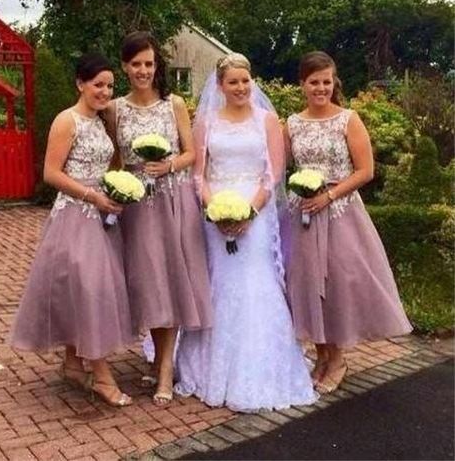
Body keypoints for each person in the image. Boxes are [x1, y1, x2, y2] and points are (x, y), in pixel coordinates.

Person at [175, 53, 317, 412]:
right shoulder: (205, 122)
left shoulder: (267, 121)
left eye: (245, 80)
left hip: (256, 212)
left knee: (256, 284)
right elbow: (198, 174)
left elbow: (273, 173)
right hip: (215, 214)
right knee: (218, 284)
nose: (240, 87)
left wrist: (250, 211)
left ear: (252, 82)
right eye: (233, 82)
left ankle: (259, 368)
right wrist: (212, 209)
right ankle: (210, 368)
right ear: (220, 86)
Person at [9, 52, 133, 406]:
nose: (105, 92)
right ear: (80, 83)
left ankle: (73, 363)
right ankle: (103, 376)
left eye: (110, 86)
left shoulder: (100, 121)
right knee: (89, 289)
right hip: (75, 215)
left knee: (83, 290)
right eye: (98, 85)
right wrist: (92, 196)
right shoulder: (68, 120)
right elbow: (51, 173)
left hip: (102, 216)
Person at [284, 51, 412, 393]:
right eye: (314, 82)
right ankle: (322, 354)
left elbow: (366, 170)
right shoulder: (293, 123)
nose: (321, 88)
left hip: (340, 211)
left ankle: (338, 357)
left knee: (338, 282)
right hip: (303, 212)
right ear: (302, 85)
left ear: (334, 82)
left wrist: (329, 195)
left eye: (326, 81)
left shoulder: (348, 119)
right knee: (307, 282)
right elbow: (278, 164)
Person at [106, 32, 212, 406]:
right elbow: (114, 159)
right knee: (146, 284)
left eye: (149, 63)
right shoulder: (114, 108)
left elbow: (191, 153)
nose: (143, 71)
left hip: (171, 202)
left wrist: (167, 165)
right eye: (136, 64)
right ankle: (155, 357)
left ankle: (165, 368)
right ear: (124, 66)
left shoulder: (174, 105)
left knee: (168, 280)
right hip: (135, 208)